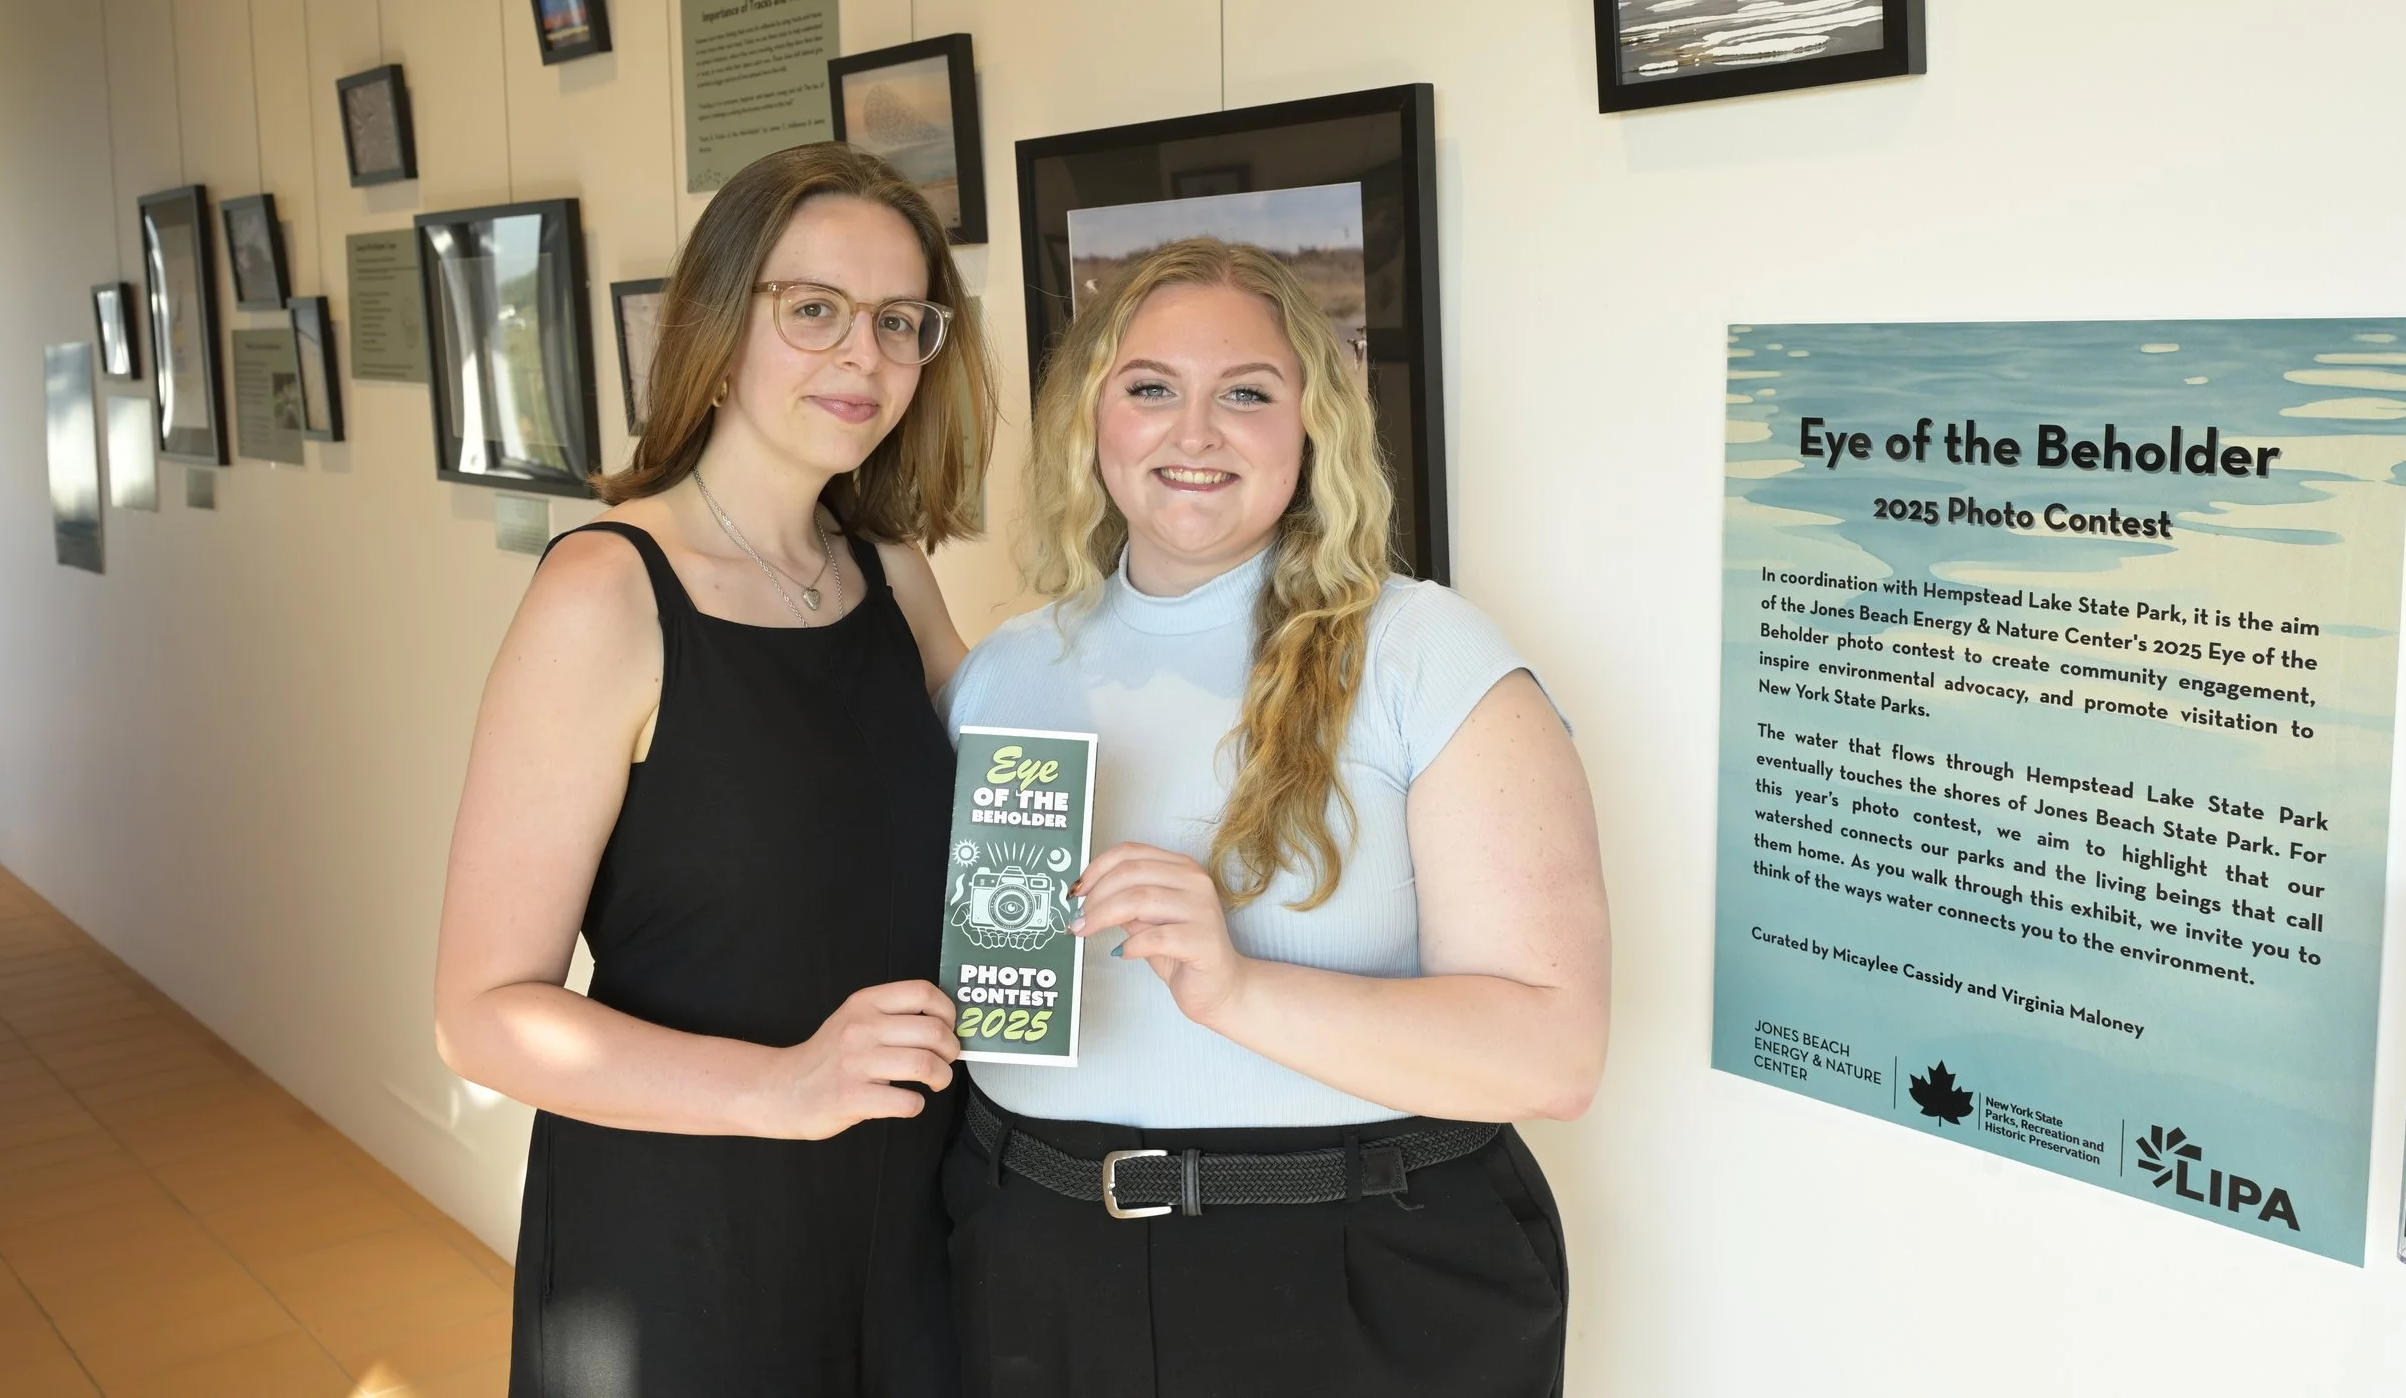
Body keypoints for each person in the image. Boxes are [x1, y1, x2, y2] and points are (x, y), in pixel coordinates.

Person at [937, 239, 1610, 1398]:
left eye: (1245, 393)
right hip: (1034, 1260)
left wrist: (1237, 989)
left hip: (1356, 1279)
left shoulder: (1422, 653)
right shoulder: (1007, 669)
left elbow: (1553, 1058)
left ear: (1313, 425)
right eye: (1151, 387)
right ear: (1090, 416)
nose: (1193, 432)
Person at [433, 141, 995, 1397]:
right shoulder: (607, 590)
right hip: (683, 1238)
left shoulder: (891, 578)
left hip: (905, 1210)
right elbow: (480, 1013)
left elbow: (1006, 813)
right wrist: (786, 1086)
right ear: (719, 325)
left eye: (899, 321)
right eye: (815, 310)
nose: (865, 357)